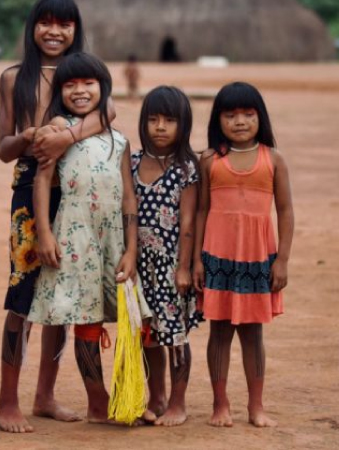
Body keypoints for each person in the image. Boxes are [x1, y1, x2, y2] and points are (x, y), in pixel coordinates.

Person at [0, 0, 115, 433]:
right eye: (45, 22)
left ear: (75, 29)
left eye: (63, 24)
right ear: (32, 27)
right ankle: (8, 399)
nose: (54, 32)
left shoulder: (83, 74)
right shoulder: (13, 78)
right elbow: (4, 148)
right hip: (30, 193)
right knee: (23, 295)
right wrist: (30, 135)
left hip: (79, 193)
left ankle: (44, 395)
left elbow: (111, 111)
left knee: (63, 294)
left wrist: (68, 137)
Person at [28, 52, 141, 424]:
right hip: (74, 238)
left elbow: (128, 196)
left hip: (112, 240)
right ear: (60, 91)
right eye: (70, 84)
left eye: (88, 83)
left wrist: (131, 248)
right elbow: (42, 180)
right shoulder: (57, 130)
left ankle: (133, 393)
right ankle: (98, 400)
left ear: (102, 89)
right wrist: (44, 232)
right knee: (83, 319)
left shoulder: (120, 142)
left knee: (129, 319)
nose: (79, 91)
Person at [192, 81, 294, 428]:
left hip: (257, 259)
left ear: (260, 117)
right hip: (217, 257)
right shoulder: (209, 159)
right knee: (218, 332)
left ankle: (257, 406)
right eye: (230, 115)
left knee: (253, 334)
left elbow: (285, 210)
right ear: (217, 120)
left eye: (248, 114)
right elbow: (201, 211)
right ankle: (220, 404)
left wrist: (281, 260)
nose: (239, 122)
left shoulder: (273, 158)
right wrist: (195, 261)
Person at [131, 86, 203, 427]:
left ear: (183, 125)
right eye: (153, 119)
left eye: (169, 120)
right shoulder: (131, 163)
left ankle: (178, 402)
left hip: (171, 266)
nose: (160, 127)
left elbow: (188, 222)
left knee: (174, 335)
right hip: (139, 266)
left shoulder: (186, 168)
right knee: (147, 335)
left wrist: (184, 267)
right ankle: (155, 396)